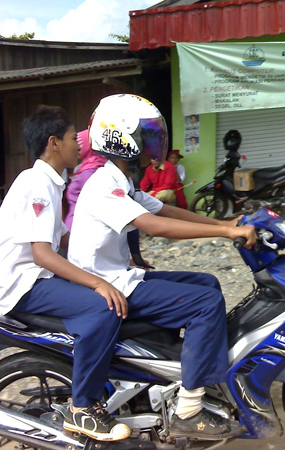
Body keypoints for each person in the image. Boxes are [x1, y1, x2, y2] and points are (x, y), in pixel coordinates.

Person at [68, 93, 256, 439]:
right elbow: (155, 226)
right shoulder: (102, 185)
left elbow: (165, 210)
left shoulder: (120, 179)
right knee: (205, 304)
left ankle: (189, 369)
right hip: (106, 286)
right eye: (146, 134)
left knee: (207, 283)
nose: (152, 142)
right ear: (120, 138)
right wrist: (226, 232)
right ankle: (189, 409)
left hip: (121, 276)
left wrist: (224, 224)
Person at [0, 105, 132, 442]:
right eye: (71, 138)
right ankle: (83, 408)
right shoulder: (37, 183)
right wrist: (98, 282)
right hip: (25, 284)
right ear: (54, 143)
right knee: (104, 305)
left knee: (107, 292)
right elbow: (42, 253)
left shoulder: (52, 181)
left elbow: (64, 239)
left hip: (37, 277)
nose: (79, 144)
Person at [63, 129, 107, 231]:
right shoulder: (88, 167)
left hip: (80, 229)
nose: (77, 147)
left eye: (80, 143)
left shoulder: (90, 172)